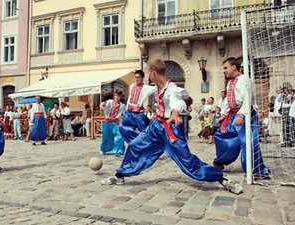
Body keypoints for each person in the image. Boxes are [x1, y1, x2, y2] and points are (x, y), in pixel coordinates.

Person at [100, 59, 243, 195]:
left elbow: (176, 100)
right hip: (156, 127)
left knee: (187, 161)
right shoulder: (156, 87)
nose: (148, 76)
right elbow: (184, 95)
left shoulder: (171, 88)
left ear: (154, 72)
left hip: (171, 130)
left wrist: (175, 111)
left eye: (149, 73)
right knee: (135, 145)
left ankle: (222, 179)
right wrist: (187, 99)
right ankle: (120, 175)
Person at [213, 57, 270, 178]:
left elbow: (247, 99)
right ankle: (220, 161)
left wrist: (241, 115)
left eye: (225, 68)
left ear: (234, 67)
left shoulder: (245, 80)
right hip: (233, 115)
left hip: (245, 115)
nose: (224, 71)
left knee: (247, 142)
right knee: (221, 135)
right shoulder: (230, 82)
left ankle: (255, 170)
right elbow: (230, 101)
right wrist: (224, 115)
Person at [119, 70, 155, 144]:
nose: (136, 79)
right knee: (122, 127)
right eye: (135, 77)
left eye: (138, 77)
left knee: (147, 130)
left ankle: (151, 146)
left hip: (138, 113)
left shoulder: (146, 88)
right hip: (129, 112)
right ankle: (136, 143)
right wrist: (126, 108)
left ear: (142, 78)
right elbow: (130, 98)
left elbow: (156, 88)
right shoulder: (132, 86)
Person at [100, 90, 126, 155]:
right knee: (106, 136)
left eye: (119, 96)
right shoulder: (110, 102)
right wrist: (103, 104)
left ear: (120, 97)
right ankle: (104, 149)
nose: (117, 97)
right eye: (116, 95)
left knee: (119, 134)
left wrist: (122, 119)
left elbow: (125, 113)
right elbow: (102, 105)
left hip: (115, 122)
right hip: (108, 121)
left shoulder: (122, 105)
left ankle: (118, 150)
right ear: (114, 96)